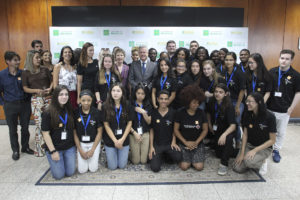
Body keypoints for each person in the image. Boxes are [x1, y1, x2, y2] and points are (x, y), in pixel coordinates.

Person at [267, 49, 300, 163]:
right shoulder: (272, 71)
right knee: (268, 129)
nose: (284, 61)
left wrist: (291, 108)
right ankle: (266, 147)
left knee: (280, 132)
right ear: (279, 58)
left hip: (284, 110)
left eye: (287, 59)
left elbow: (298, 93)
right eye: (282, 58)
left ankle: (276, 150)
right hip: (269, 108)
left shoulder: (296, 75)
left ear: (291, 60)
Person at [0, 51, 33, 160]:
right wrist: (3, 103)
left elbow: (28, 88)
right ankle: (15, 150)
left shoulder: (23, 73)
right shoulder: (2, 75)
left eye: (18, 60)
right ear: (8, 61)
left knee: (25, 128)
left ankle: (25, 147)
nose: (18, 62)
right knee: (12, 129)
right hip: (10, 105)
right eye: (15, 60)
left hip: (24, 105)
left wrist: (28, 101)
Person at [234, 92, 276, 175]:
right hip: (249, 144)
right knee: (237, 168)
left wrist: (255, 150)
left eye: (250, 101)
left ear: (259, 102)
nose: (247, 104)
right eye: (247, 101)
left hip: (264, 147)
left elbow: (272, 140)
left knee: (249, 162)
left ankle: (263, 160)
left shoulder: (270, 117)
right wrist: (242, 153)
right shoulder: (247, 114)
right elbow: (245, 135)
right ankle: (250, 159)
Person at [41, 85, 76, 180]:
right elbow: (45, 133)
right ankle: (54, 159)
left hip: (69, 147)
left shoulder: (69, 110)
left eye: (66, 94)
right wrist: (53, 151)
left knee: (70, 172)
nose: (64, 97)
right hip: (55, 148)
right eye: (61, 94)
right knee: (58, 176)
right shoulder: (48, 112)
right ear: (56, 96)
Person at [22, 50, 53, 157]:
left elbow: (52, 81)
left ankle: (51, 148)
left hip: (49, 98)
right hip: (36, 99)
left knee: (50, 123)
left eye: (39, 57)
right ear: (31, 59)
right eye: (37, 58)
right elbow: (25, 88)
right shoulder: (26, 72)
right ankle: (40, 149)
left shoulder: (45, 69)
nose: (39, 59)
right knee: (39, 124)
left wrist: (50, 88)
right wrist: (36, 90)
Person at [174, 85, 207, 171]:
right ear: (188, 102)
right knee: (184, 167)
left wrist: (196, 142)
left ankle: (194, 158)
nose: (197, 105)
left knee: (199, 167)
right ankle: (189, 159)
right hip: (183, 143)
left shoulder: (201, 113)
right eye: (194, 102)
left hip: (197, 143)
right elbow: (176, 130)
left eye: (198, 102)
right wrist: (185, 142)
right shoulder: (180, 112)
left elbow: (205, 130)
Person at [206, 83, 236, 175]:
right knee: (218, 154)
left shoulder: (229, 106)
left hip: (228, 130)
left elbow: (233, 125)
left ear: (225, 94)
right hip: (217, 128)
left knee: (228, 140)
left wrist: (224, 135)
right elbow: (208, 113)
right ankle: (233, 150)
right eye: (216, 92)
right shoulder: (211, 101)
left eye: (220, 92)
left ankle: (224, 164)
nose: (217, 94)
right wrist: (210, 124)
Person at [149, 90, 182, 172]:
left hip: (169, 144)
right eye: (161, 99)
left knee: (179, 158)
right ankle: (161, 155)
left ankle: (165, 155)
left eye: (166, 99)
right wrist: (151, 147)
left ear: (168, 100)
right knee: (155, 168)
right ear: (157, 99)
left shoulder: (173, 112)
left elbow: (175, 129)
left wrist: (174, 142)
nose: (164, 101)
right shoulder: (153, 113)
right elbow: (151, 130)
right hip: (157, 144)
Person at [102, 83, 133, 170]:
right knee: (112, 167)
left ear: (122, 92)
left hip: (123, 139)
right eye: (113, 91)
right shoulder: (105, 106)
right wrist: (115, 141)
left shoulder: (127, 105)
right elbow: (106, 125)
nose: (115, 93)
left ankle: (123, 153)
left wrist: (122, 140)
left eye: (118, 91)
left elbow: (129, 123)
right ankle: (110, 155)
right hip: (110, 140)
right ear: (110, 92)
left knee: (122, 166)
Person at [74, 90, 103, 173]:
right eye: (83, 100)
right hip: (81, 143)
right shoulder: (76, 112)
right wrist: (80, 150)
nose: (86, 103)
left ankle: (97, 153)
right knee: (82, 170)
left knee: (93, 169)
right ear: (79, 100)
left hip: (94, 143)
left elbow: (99, 132)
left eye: (89, 100)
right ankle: (84, 156)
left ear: (92, 100)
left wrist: (93, 150)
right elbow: (74, 133)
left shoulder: (96, 113)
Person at [221, 52, 246, 148]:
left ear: (234, 61)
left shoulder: (239, 73)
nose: (228, 62)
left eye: (231, 60)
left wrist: (237, 106)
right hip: (225, 100)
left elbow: (242, 90)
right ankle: (228, 140)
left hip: (237, 101)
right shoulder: (223, 72)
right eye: (226, 60)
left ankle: (238, 141)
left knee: (235, 121)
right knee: (226, 120)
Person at [129, 83, 152, 164]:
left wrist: (143, 112)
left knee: (143, 161)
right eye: (138, 93)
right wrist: (134, 133)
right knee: (136, 161)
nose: (140, 95)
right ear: (135, 93)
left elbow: (149, 122)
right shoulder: (130, 104)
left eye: (142, 93)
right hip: (133, 134)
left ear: (145, 94)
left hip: (145, 133)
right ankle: (129, 153)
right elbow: (126, 123)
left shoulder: (148, 104)